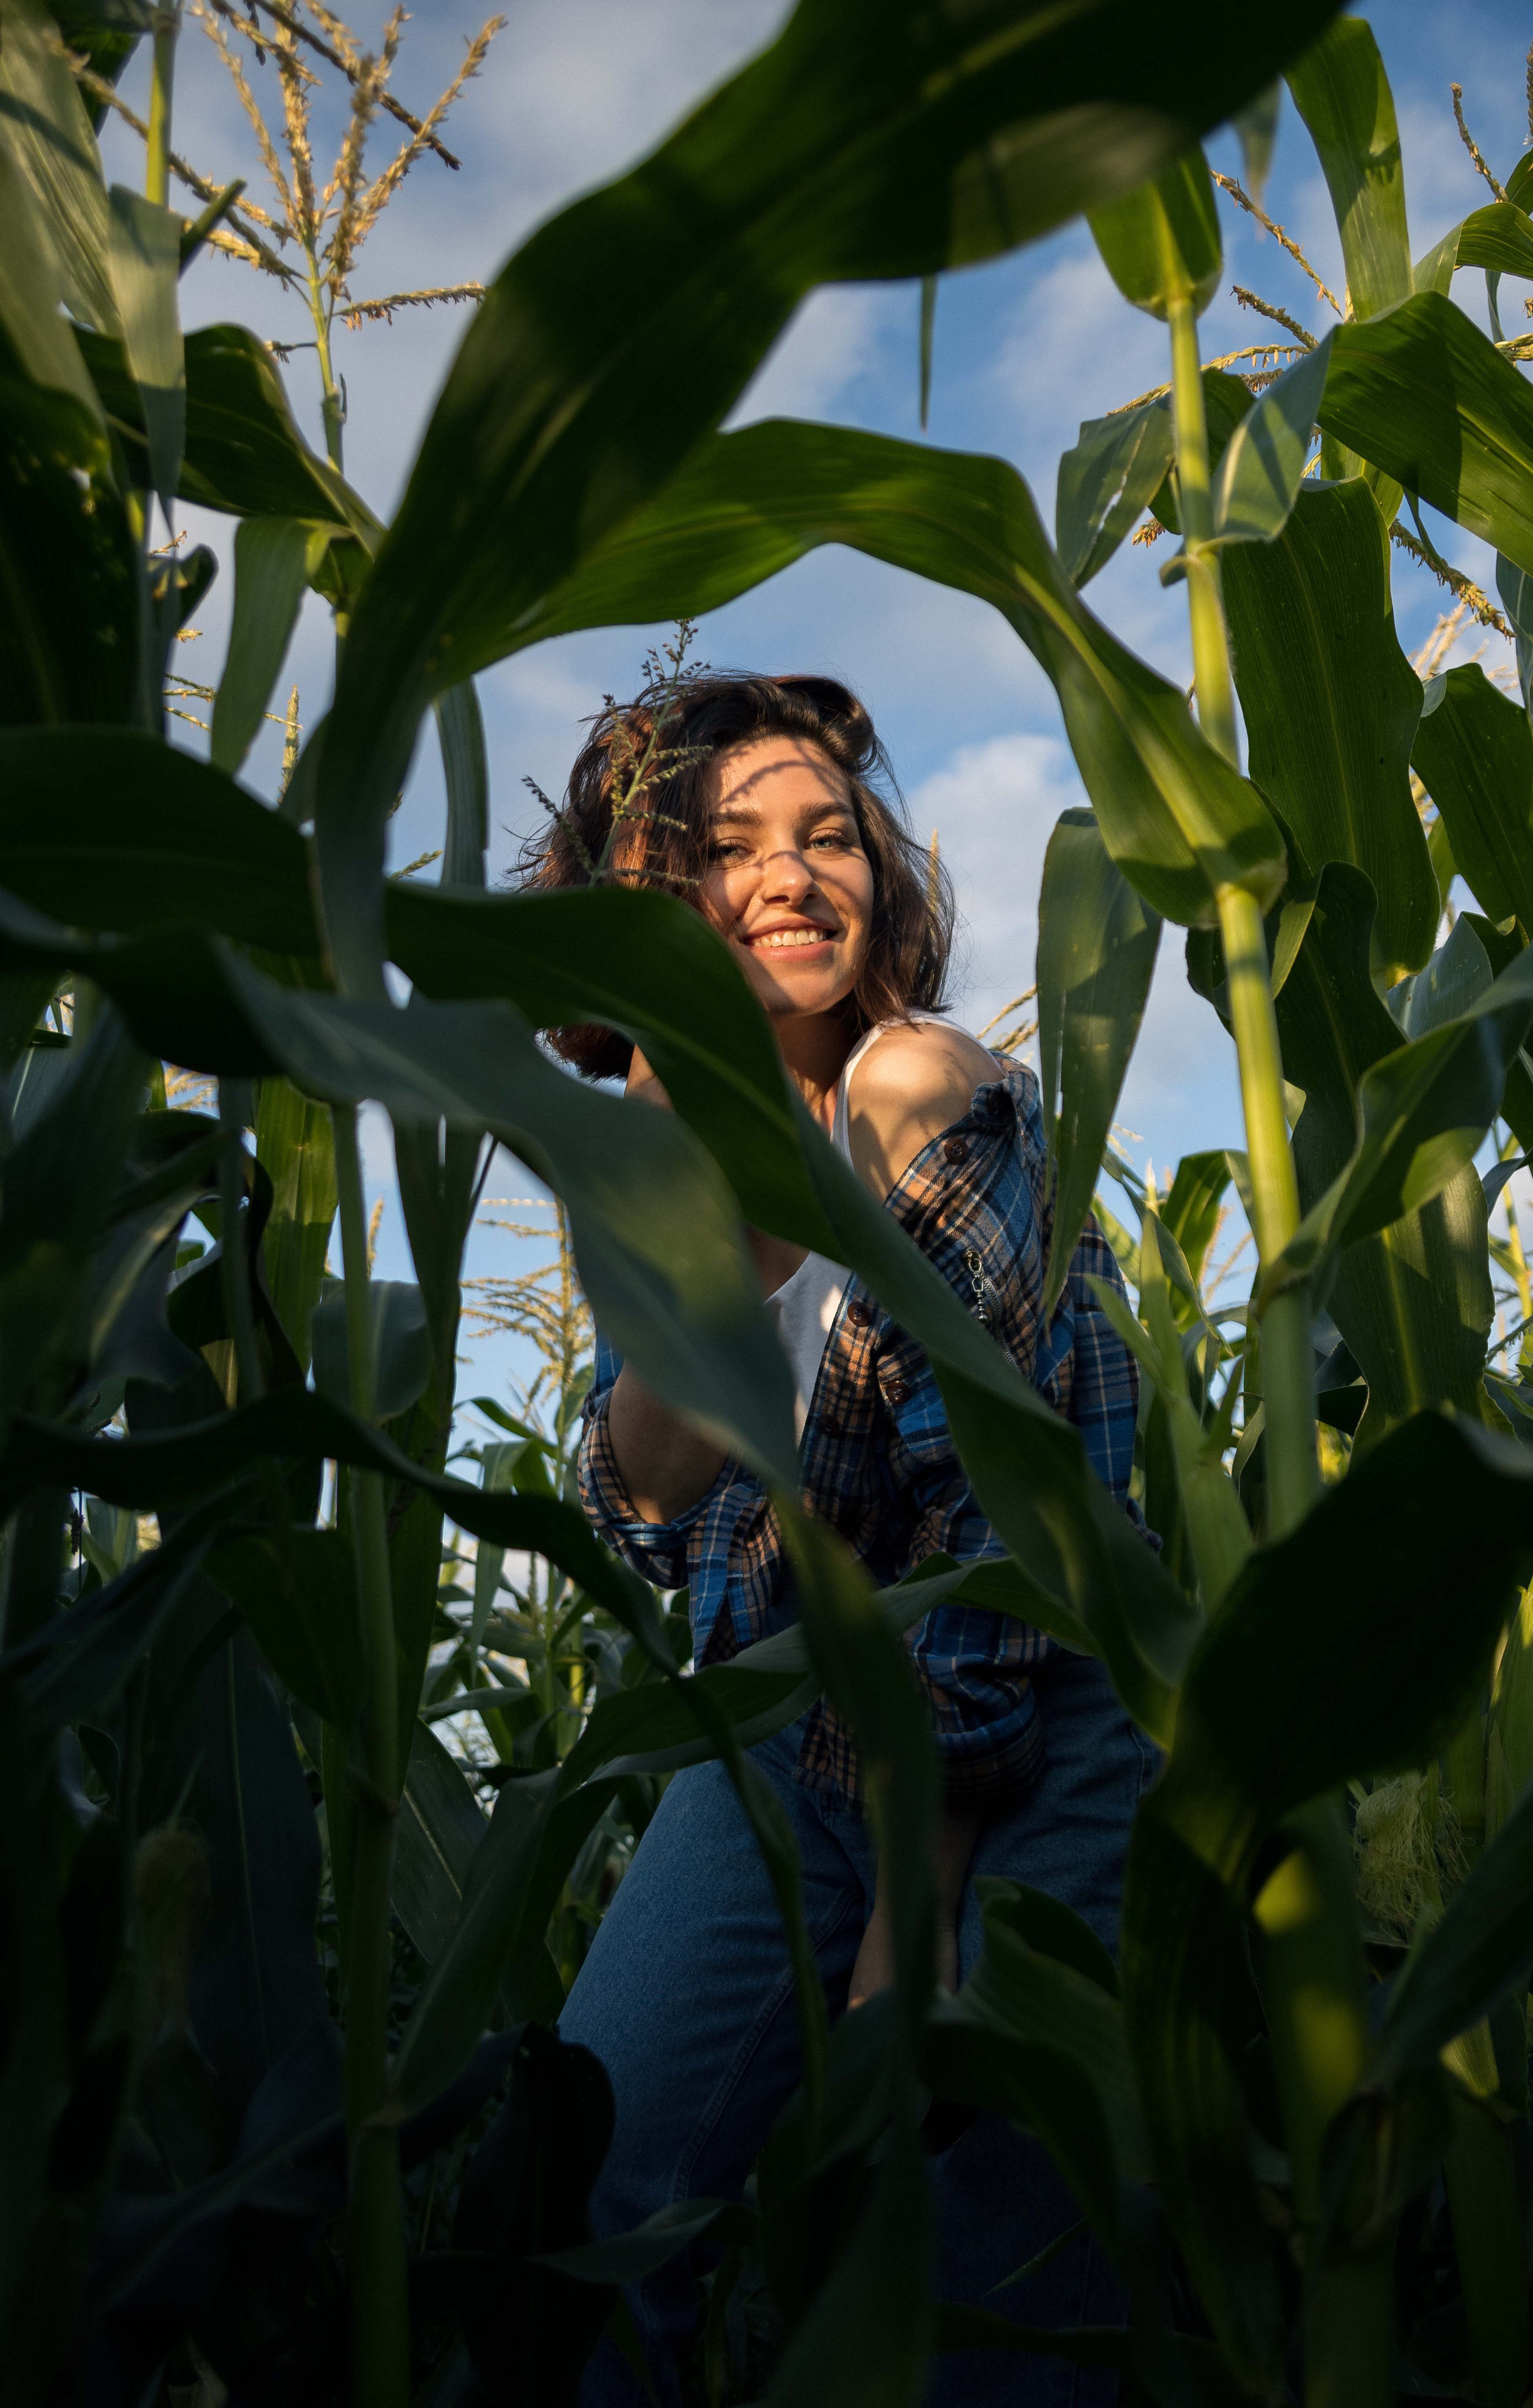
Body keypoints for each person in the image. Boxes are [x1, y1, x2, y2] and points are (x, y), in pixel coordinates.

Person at [520, 670, 1154, 2405]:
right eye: (732, 849)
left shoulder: (921, 1091)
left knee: (980, 2254)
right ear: (649, 893)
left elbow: (1002, 1516)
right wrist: (675, 1183)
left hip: (1028, 1719)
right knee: (596, 2170)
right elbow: (645, 1512)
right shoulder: (652, 1154)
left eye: (832, 835)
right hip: (795, 1719)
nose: (799, 873)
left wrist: (910, 1914)